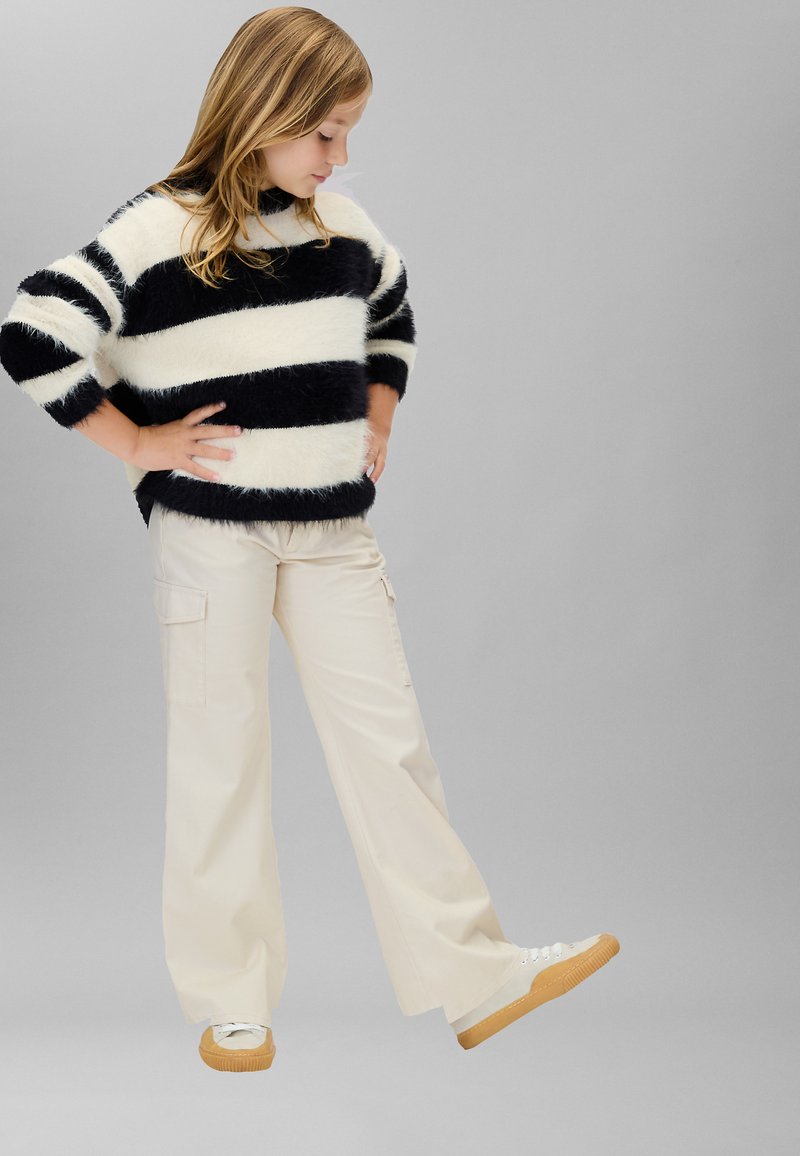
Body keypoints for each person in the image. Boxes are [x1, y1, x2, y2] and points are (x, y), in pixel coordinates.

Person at [0, 6, 619, 1073]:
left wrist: (378, 417)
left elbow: (392, 316)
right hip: (212, 539)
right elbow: (33, 331)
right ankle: (230, 1000)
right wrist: (136, 442)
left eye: (347, 135)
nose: (337, 157)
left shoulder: (343, 230)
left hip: (333, 533)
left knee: (389, 747)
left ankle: (474, 974)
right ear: (261, 111)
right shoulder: (156, 231)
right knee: (220, 755)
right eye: (324, 133)